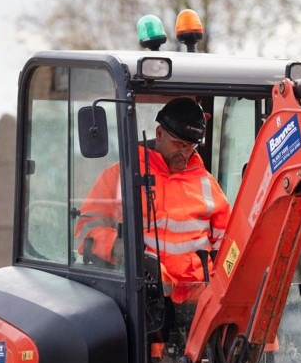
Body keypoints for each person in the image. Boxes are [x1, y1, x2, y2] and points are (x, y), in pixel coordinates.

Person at [74, 97, 230, 304]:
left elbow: (227, 238)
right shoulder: (122, 175)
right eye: (179, 144)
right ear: (159, 134)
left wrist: (223, 278)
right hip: (141, 295)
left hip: (197, 298)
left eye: (191, 146)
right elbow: (86, 230)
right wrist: (131, 256)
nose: (184, 153)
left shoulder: (205, 181)